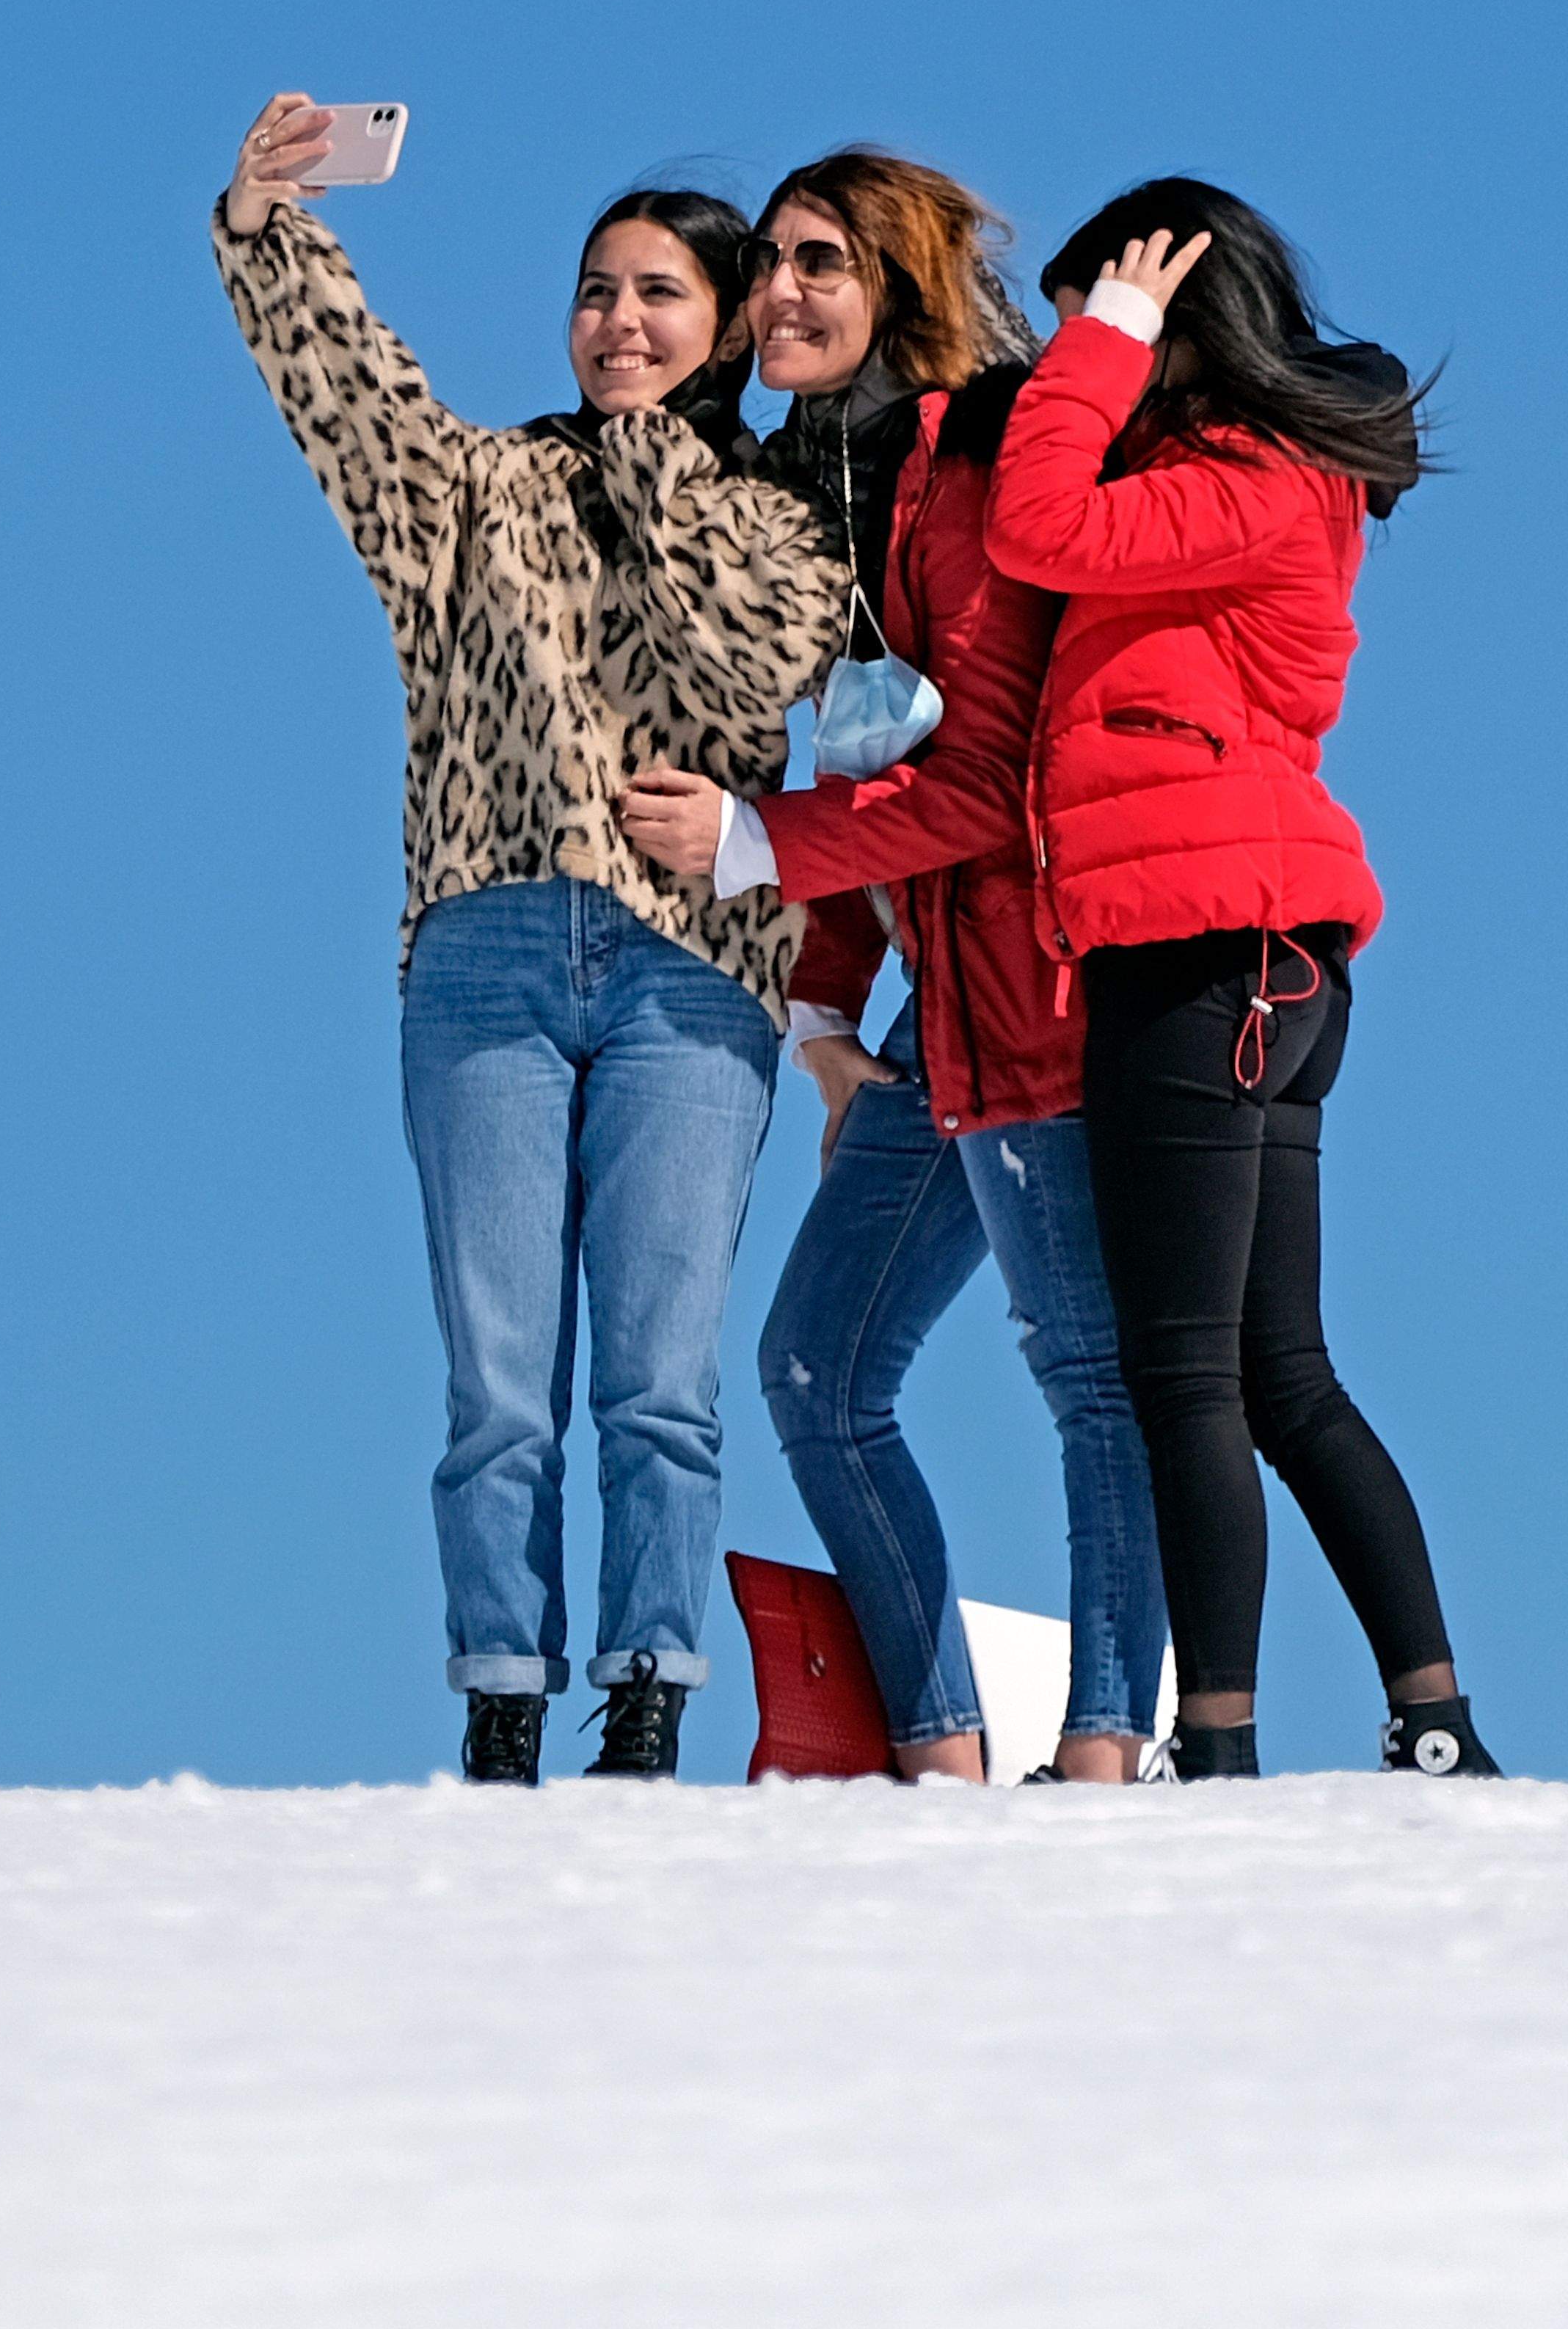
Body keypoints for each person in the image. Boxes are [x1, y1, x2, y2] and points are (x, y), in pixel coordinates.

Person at [216, 95, 850, 1785]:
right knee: (502, 1379)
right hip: (486, 953)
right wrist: (276, 226)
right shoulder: (476, 493)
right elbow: (350, 405)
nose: (617, 322)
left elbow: (743, 671)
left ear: (721, 331)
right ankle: (504, 1695)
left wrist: (652, 452)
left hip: (690, 975)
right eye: (594, 292)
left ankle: (647, 1697)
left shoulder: (783, 525)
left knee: (660, 1376)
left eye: (658, 295)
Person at [616, 152, 1169, 1784]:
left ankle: (1103, 1756)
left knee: (1088, 1373)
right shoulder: (834, 489)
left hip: (1048, 989)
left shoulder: (974, 462)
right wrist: (821, 1006)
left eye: (820, 261)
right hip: (942, 1011)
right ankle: (935, 1755)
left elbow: (980, 776)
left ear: (896, 290)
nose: (780, 288)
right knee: (818, 1365)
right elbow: (875, 744)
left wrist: (751, 843)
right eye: (772, 260)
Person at [978, 179, 1490, 1780]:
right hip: (1258, 953)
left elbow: (1034, 524)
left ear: (1180, 321)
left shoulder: (1247, 478)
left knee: (1184, 1370)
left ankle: (1220, 1749)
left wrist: (1103, 342)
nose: (1087, 356)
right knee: (1279, 1373)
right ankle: (1432, 1722)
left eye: (1109, 321)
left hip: (1204, 947)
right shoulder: (1257, 476)